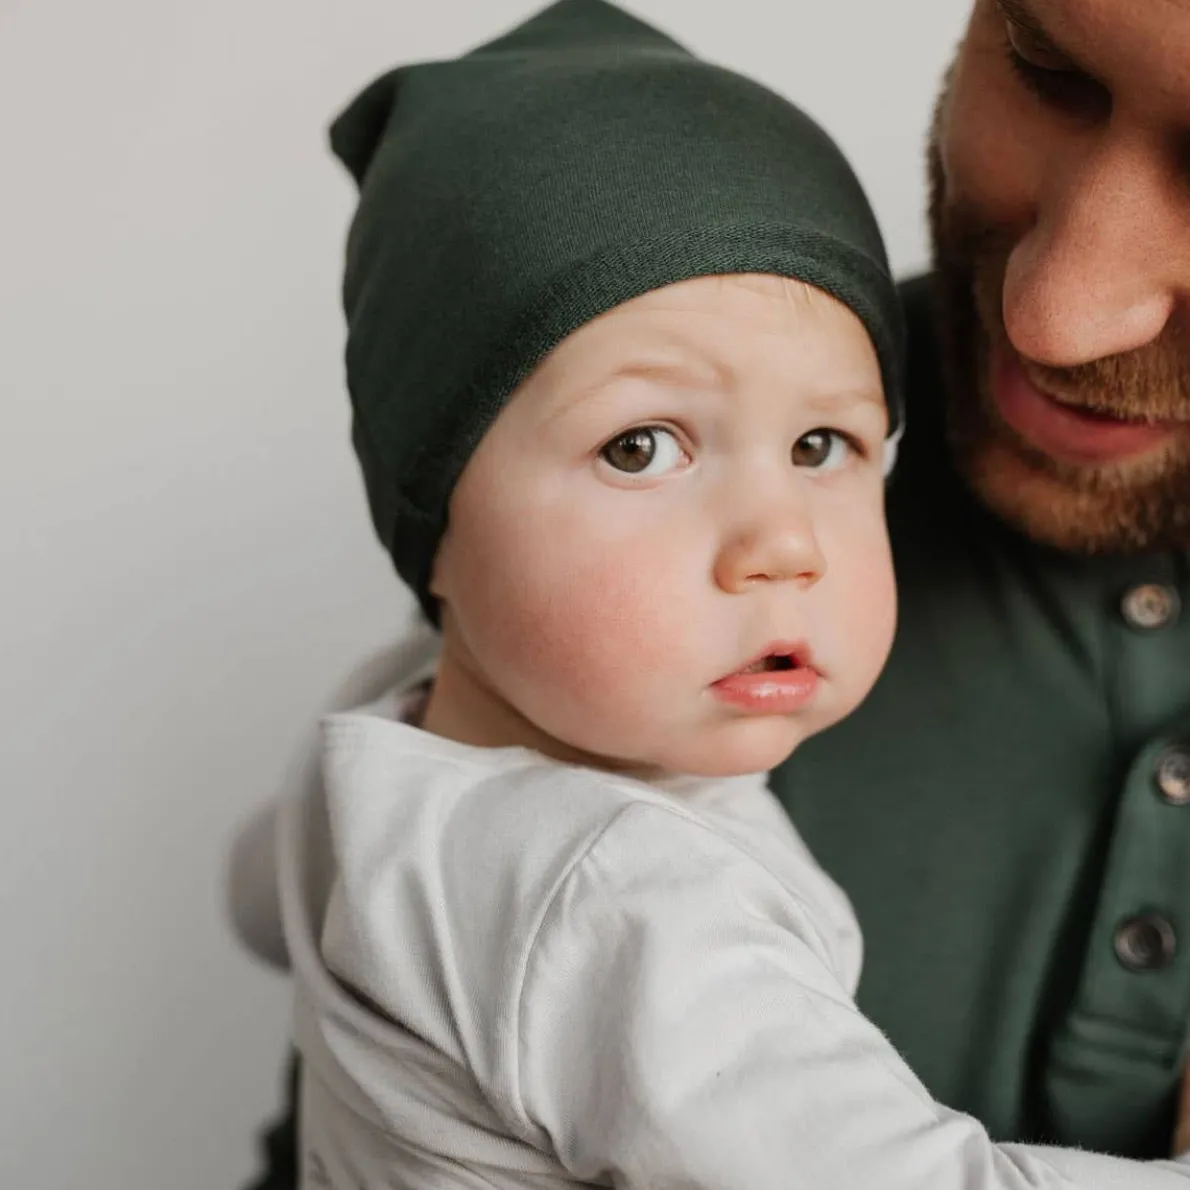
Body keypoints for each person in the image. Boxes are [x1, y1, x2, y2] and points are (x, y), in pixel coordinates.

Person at [236, 0, 1190, 1182]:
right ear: (435, 533)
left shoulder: (383, 733)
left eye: (824, 446)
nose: (781, 544)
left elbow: (262, 895)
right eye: (639, 447)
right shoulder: (624, 904)